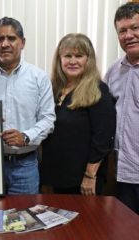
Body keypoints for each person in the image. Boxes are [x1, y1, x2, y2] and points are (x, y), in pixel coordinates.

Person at [0, 17, 55, 194]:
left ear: (22, 42)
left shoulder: (38, 78)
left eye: (11, 38)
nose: (5, 44)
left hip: (25, 166)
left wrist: (26, 137)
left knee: (23, 220)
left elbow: (48, 119)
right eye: (0, 39)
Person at [40, 33, 116, 195]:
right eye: (67, 56)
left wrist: (90, 176)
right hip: (54, 177)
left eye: (79, 56)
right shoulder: (52, 89)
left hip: (83, 180)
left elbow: (103, 139)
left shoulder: (98, 90)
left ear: (88, 60)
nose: (72, 61)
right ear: (59, 59)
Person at [104, 2, 139, 214]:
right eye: (122, 31)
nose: (129, 35)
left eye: (135, 28)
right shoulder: (113, 72)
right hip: (123, 174)